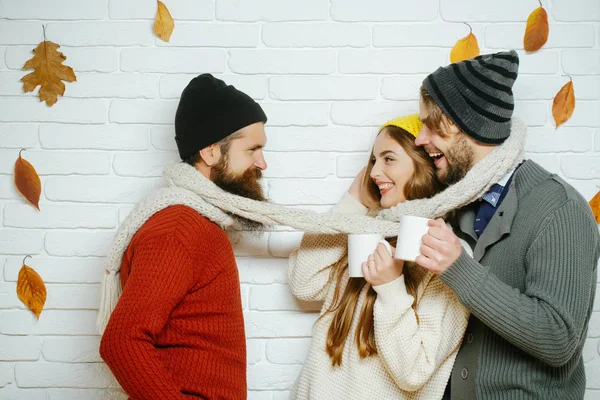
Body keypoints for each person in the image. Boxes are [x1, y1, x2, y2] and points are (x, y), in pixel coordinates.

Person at [413, 50, 600, 399]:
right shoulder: (459, 207)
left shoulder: (559, 208)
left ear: (460, 123)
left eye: (428, 125)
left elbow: (559, 338)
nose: (420, 139)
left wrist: (459, 269)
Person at [99, 73, 268, 400]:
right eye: (252, 149)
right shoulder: (179, 229)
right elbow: (121, 342)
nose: (262, 162)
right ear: (210, 152)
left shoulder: (198, 223)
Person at [288, 114, 470, 399]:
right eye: (373, 160)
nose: (373, 172)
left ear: (422, 165)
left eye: (388, 159)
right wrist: (351, 204)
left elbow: (413, 373)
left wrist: (390, 287)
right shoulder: (368, 227)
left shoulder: (446, 252)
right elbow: (304, 284)